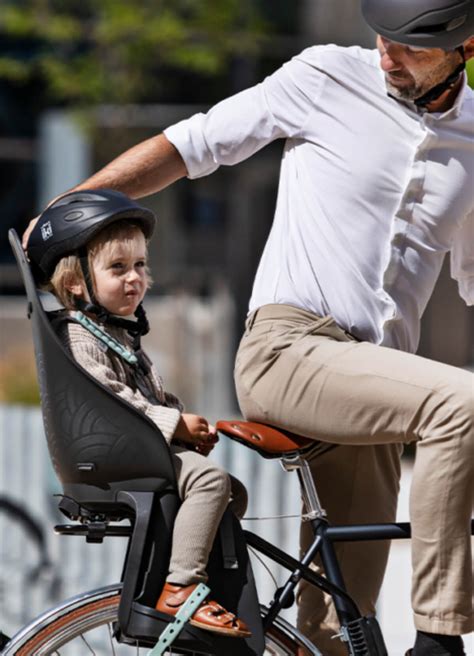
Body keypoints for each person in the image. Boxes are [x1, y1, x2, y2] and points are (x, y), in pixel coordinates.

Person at [24, 1, 474, 654]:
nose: (386, 53)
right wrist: (68, 206)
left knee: (337, 638)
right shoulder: (326, 77)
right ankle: (440, 637)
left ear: (464, 48)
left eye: (409, 47)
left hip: (372, 389)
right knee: (461, 403)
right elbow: (191, 147)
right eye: (381, 36)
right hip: (289, 352)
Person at [27, 189, 251, 639]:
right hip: (115, 452)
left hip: (133, 446)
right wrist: (173, 425)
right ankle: (182, 587)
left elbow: (148, 395)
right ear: (75, 283)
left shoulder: (116, 334)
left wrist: (183, 429)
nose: (135, 278)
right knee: (210, 481)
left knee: (233, 496)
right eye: (118, 268)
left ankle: (186, 569)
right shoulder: (79, 335)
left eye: (140, 266)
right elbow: (109, 400)